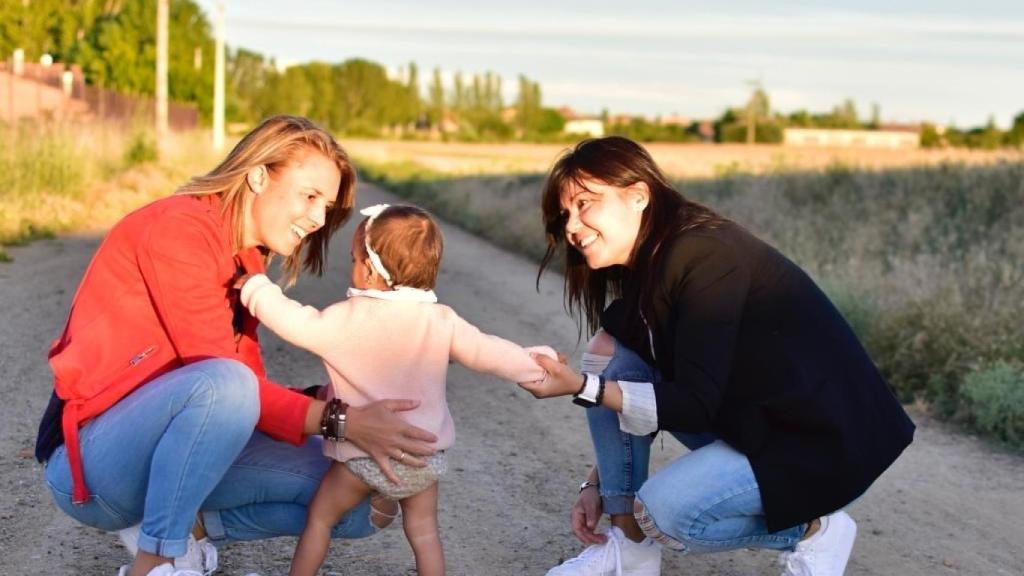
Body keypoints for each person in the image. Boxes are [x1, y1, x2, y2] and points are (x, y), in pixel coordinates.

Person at [34, 116, 438, 576]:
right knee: (227, 385)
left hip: (167, 449)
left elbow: (250, 395)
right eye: (310, 196)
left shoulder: (244, 260)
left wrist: (331, 402)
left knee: (361, 494)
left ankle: (192, 528)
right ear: (259, 175)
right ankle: (157, 562)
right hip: (93, 462)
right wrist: (340, 422)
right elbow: (225, 382)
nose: (319, 219)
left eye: (327, 205)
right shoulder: (178, 229)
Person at [520, 136, 916, 576]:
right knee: (613, 359)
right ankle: (628, 552)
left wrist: (580, 386)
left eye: (586, 204)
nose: (572, 226)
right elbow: (631, 376)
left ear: (638, 196)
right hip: (757, 424)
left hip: (819, 444)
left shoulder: (702, 254)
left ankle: (814, 530)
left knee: (665, 513)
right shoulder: (652, 264)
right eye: (565, 214)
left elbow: (691, 404)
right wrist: (599, 483)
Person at [237, 203, 555, 576]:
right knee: (424, 533)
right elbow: (490, 353)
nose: (352, 266)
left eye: (355, 258)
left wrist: (258, 290)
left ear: (370, 271)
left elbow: (295, 322)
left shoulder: (347, 317)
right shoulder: (441, 320)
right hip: (424, 456)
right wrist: (536, 361)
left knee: (320, 520)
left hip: (360, 458)